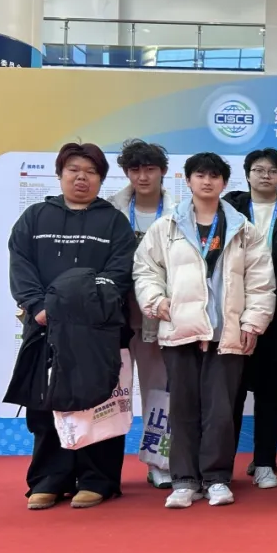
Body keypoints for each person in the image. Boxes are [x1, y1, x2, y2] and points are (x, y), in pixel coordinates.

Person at [134, 152, 275, 509]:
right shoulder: (166, 226)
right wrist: (155, 300)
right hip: (181, 329)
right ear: (188, 180)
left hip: (225, 333)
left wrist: (252, 322)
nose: (207, 181)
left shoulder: (244, 230)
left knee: (220, 411)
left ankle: (216, 479)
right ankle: (184, 480)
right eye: (200, 175)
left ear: (225, 183)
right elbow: (146, 269)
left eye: (214, 176)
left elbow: (261, 282)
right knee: (182, 409)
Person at [7, 143, 137, 510]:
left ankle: (98, 479)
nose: (82, 178)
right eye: (74, 170)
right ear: (60, 174)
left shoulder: (114, 222)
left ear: (101, 179)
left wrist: (83, 310)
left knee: (100, 402)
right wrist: (38, 307)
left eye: (91, 172)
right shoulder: (35, 217)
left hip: (98, 330)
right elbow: (20, 265)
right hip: (44, 327)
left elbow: (119, 273)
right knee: (45, 404)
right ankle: (50, 478)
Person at [224, 148, 277, 489]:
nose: (265, 176)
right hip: (231, 311)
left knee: (271, 392)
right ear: (247, 174)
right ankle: (220, 467)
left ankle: (264, 462)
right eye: (259, 170)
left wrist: (268, 290)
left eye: (272, 171)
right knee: (229, 393)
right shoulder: (228, 209)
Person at [110, 139, 175, 489]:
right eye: (135, 169)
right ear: (126, 173)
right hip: (114, 318)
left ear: (163, 171)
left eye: (150, 169)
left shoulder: (181, 210)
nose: (143, 176)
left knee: (158, 391)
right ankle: (101, 470)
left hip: (158, 317)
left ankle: (158, 462)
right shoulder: (109, 208)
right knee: (110, 393)